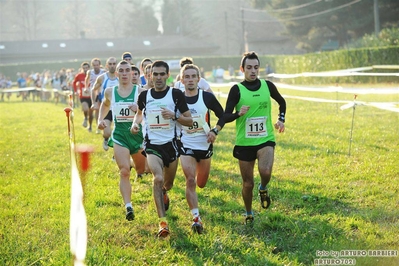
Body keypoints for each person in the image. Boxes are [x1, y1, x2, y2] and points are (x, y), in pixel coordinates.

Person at [131, 60, 193, 238]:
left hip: (172, 145)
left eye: (161, 74)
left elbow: (189, 120)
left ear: (167, 75)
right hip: (152, 145)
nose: (158, 77)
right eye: (154, 74)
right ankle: (163, 224)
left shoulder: (175, 95)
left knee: (168, 184)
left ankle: (164, 193)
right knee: (157, 178)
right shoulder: (144, 96)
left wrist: (175, 116)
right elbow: (139, 113)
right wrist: (135, 124)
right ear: (150, 75)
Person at [224, 51, 286, 224]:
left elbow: (282, 102)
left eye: (256, 67)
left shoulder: (268, 86)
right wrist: (238, 114)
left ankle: (264, 187)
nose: (253, 71)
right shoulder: (237, 90)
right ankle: (249, 213)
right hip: (244, 142)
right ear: (242, 69)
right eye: (249, 67)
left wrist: (281, 120)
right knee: (247, 183)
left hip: (265, 138)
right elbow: (225, 116)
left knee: (265, 172)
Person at [179, 64, 225, 234]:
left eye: (193, 76)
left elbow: (224, 115)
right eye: (187, 77)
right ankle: (196, 219)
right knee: (190, 181)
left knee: (201, 183)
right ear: (182, 79)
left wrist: (215, 130)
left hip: (205, 144)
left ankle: (196, 207)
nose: (190, 80)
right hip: (186, 144)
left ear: (199, 79)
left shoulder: (207, 97)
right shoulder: (177, 98)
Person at [98, 60, 146, 221]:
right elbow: (104, 106)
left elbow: (150, 112)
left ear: (132, 74)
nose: (125, 73)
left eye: (128, 71)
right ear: (116, 74)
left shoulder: (140, 91)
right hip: (119, 135)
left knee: (142, 170)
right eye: (122, 71)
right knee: (124, 171)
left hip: (137, 135)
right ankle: (128, 206)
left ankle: (136, 166)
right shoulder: (110, 92)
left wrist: (139, 110)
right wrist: (101, 120)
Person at [91, 57, 119, 148]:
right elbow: (93, 89)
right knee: (107, 132)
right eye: (110, 64)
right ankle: (106, 139)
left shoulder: (121, 77)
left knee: (120, 132)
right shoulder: (102, 78)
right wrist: (94, 103)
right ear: (107, 66)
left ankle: (117, 151)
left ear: (116, 65)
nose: (112, 66)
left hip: (119, 108)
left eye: (114, 64)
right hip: (107, 108)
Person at [85, 58, 105, 132]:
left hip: (100, 93)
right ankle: (89, 125)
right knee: (91, 112)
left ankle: (98, 126)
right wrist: (86, 88)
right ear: (92, 65)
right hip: (92, 93)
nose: (96, 67)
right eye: (94, 65)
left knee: (98, 110)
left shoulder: (103, 72)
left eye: (97, 65)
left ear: (100, 65)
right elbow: (86, 80)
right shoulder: (90, 72)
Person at [72, 62, 92, 129]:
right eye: (84, 68)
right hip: (83, 95)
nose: (85, 69)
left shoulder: (92, 75)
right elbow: (74, 82)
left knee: (91, 113)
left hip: (92, 96)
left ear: (89, 68)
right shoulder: (79, 75)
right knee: (85, 108)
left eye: (86, 68)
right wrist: (75, 91)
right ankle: (85, 118)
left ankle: (90, 126)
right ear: (82, 68)